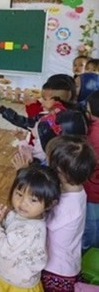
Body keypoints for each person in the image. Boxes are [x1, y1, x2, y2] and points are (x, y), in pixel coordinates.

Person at [0, 164, 61, 292]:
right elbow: (11, 233)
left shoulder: (29, 229)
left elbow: (6, 248)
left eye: (33, 200)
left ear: (49, 204)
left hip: (19, 285)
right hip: (10, 276)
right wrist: (1, 221)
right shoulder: (22, 214)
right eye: (19, 194)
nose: (23, 203)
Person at [42, 136, 96, 292]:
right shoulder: (78, 190)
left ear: (60, 172)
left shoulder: (66, 206)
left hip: (57, 269)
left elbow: (40, 219)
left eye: (48, 162)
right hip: (69, 263)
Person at [83, 91, 99, 250]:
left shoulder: (87, 130)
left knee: (92, 227)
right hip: (92, 190)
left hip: (91, 191)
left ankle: (87, 251)